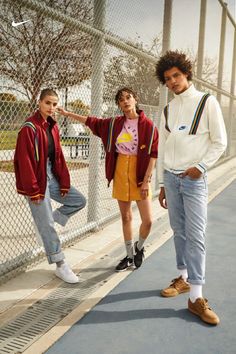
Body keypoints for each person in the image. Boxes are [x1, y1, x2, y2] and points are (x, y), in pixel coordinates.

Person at [155, 50, 227, 325]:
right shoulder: (168, 109)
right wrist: (162, 183)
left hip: (195, 179)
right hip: (171, 180)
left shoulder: (207, 102)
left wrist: (202, 167)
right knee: (179, 231)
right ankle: (183, 279)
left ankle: (196, 297)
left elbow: (220, 142)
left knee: (196, 235)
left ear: (186, 73)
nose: (172, 81)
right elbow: (162, 147)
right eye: (167, 78)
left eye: (176, 75)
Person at [57, 87, 158, 271]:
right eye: (121, 100)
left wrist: (146, 180)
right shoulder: (114, 124)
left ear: (135, 99)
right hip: (120, 169)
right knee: (126, 216)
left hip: (140, 174)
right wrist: (67, 113)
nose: (125, 101)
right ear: (119, 105)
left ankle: (139, 248)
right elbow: (91, 121)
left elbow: (153, 154)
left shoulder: (148, 125)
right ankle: (128, 256)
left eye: (129, 97)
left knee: (148, 220)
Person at [14, 88, 86, 283]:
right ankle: (60, 264)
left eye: (54, 104)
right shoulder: (29, 128)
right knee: (46, 224)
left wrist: (63, 181)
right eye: (47, 103)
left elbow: (58, 156)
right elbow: (25, 162)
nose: (51, 107)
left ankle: (46, 224)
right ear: (39, 102)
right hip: (36, 180)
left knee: (78, 201)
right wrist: (34, 190)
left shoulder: (53, 126)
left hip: (51, 177)